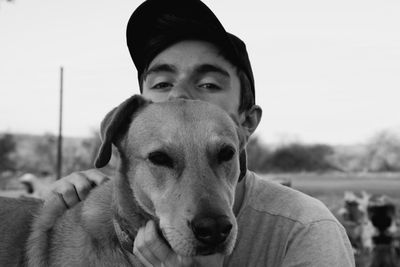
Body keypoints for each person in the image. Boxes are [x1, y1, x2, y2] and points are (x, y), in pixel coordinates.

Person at [49, 0, 355, 266]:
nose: (179, 95)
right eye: (162, 84)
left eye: (208, 83)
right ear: (127, 130)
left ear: (246, 124)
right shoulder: (76, 219)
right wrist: (60, 210)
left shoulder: (305, 231)